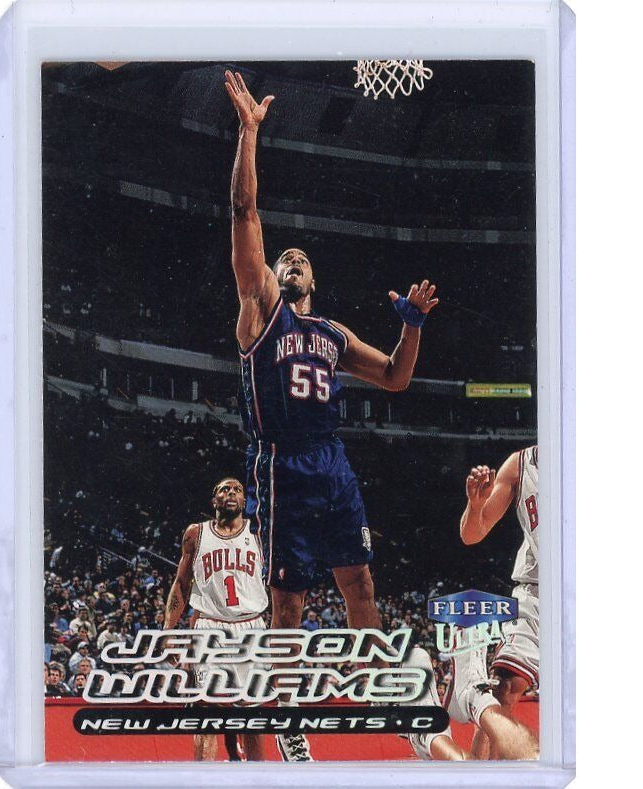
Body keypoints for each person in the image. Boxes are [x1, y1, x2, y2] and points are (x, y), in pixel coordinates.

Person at [223, 69, 439, 762]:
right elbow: (245, 213)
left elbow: (397, 376)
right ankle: (289, 715)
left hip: (332, 463)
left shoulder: (334, 333)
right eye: (283, 258)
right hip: (281, 463)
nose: (291, 261)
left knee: (360, 583)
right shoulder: (261, 310)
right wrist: (249, 133)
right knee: (287, 603)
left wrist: (410, 326)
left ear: (313, 279)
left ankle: (385, 701)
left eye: (301, 260)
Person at [164, 477, 269, 762]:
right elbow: (181, 584)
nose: (231, 493)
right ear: (214, 501)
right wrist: (168, 630)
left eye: (237, 489)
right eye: (224, 489)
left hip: (251, 625)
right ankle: (204, 777)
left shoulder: (260, 532)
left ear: (245, 501)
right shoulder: (196, 534)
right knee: (205, 710)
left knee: (252, 714)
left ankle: (258, 777)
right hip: (209, 626)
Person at [448, 445, 540, 760]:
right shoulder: (520, 464)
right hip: (538, 591)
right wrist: (475, 506)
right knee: (504, 688)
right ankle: (479, 775)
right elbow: (472, 535)